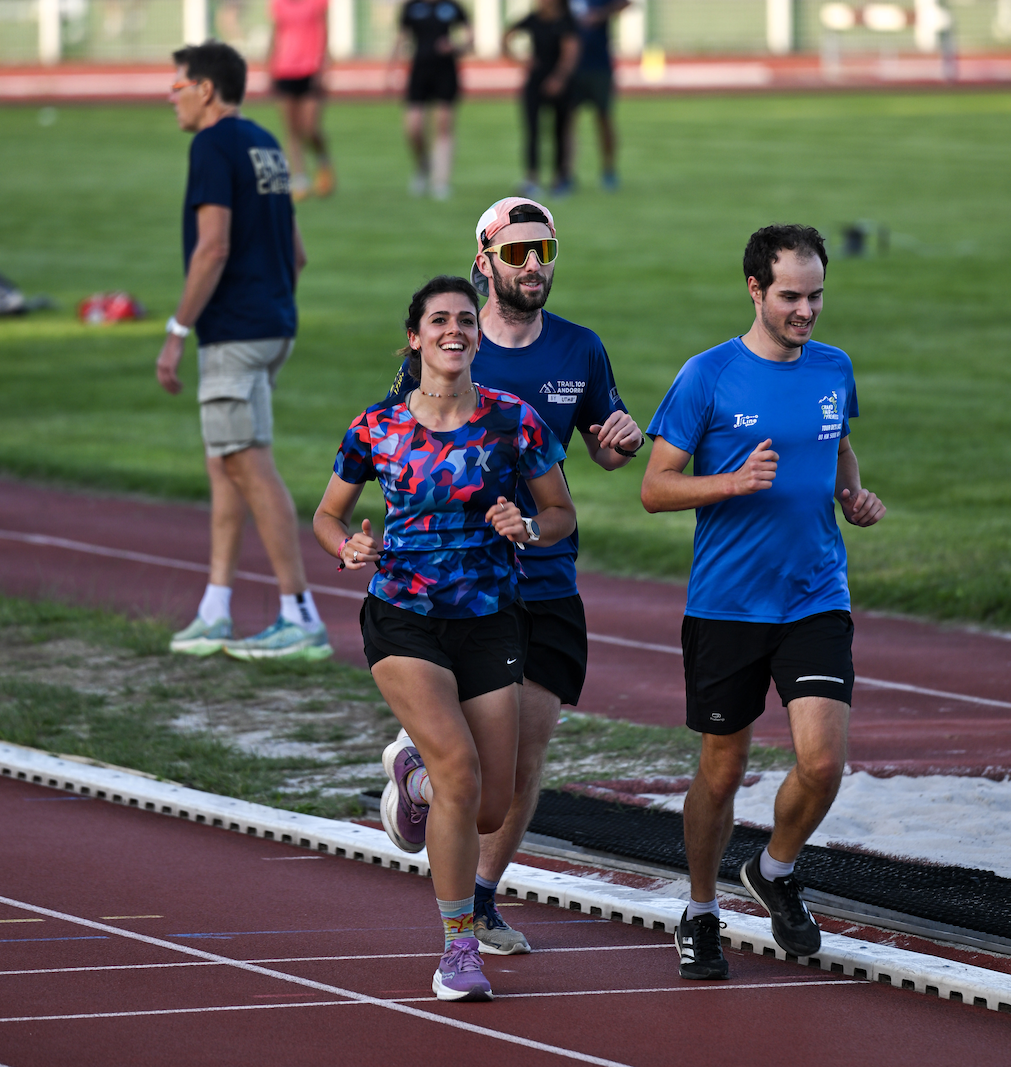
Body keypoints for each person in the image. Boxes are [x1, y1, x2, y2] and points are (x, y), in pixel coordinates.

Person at [387, 197, 644, 955]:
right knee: (468, 758)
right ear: (483, 261)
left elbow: (603, 445)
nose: (534, 265)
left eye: (545, 250)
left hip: (547, 577)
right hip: (463, 581)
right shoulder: (453, 347)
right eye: (517, 253)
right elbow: (399, 450)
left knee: (525, 758)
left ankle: (486, 895)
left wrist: (620, 439)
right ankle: (430, 791)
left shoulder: (580, 349)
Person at [314, 275, 575, 1001]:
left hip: (490, 618)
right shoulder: (376, 428)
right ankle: (457, 947)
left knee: (488, 803)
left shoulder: (513, 421)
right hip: (401, 615)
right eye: (438, 320)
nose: (453, 329)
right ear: (415, 336)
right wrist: (349, 547)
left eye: (465, 318)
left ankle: (414, 778)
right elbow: (328, 516)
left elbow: (559, 511)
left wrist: (527, 527)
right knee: (461, 770)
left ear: (476, 335)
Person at [640, 224, 886, 980]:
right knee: (721, 769)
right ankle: (701, 908)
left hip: (814, 592)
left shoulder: (833, 367)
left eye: (815, 295)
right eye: (790, 296)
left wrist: (849, 492)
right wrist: (729, 482)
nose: (806, 310)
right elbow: (653, 488)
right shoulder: (706, 376)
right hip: (726, 604)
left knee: (821, 761)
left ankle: (774, 869)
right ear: (754, 289)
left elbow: (836, 437)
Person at [158, 40, 331, 663]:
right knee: (224, 462)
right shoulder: (267, 143)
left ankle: (298, 612)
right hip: (276, 322)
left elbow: (212, 248)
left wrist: (178, 332)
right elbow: (298, 250)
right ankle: (215, 608)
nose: (170, 96)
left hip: (233, 330)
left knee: (247, 462)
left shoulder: (209, 145)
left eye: (177, 85)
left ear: (206, 88)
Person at [390, 0, 472, 200]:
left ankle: (441, 180)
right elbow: (401, 38)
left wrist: (455, 46)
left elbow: (470, 41)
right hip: (419, 72)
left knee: (443, 126)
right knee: (414, 127)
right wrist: (391, 69)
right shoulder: (411, 7)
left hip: (445, 73)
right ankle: (422, 166)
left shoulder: (453, 7)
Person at [504, 0, 581, 196]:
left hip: (560, 83)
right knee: (532, 131)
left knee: (560, 131)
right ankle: (532, 178)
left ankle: (560, 177)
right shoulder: (533, 19)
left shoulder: (566, 21)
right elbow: (507, 36)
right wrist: (520, 59)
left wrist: (559, 78)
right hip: (536, 81)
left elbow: (571, 52)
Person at [268, 0, 336, 201]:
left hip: (311, 68)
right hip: (285, 68)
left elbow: (325, 31)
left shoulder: (317, 2)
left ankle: (323, 162)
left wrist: (324, 65)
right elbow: (275, 33)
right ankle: (300, 179)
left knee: (310, 127)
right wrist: (270, 65)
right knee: (291, 128)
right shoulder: (278, 4)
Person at [568, 0, 629, 190]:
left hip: (599, 65)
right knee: (568, 122)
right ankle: (567, 173)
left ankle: (609, 171)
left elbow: (624, 3)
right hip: (571, 67)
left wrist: (600, 14)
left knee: (604, 118)